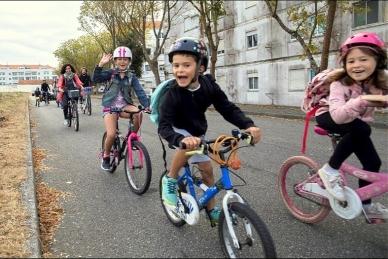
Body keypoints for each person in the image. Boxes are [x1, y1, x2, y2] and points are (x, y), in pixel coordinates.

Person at [158, 37, 261, 224]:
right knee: (188, 145)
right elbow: (163, 126)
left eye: (186, 65)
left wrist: (248, 126)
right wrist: (179, 138)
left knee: (207, 171)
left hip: (197, 131)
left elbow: (227, 108)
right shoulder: (171, 95)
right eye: (176, 66)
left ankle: (211, 209)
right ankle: (171, 179)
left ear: (201, 67)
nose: (179, 70)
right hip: (176, 129)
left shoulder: (208, 85)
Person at [315, 32, 388, 219]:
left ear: (378, 61)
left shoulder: (380, 83)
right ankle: (329, 170)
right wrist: (363, 99)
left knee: (373, 162)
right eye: (351, 61)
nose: (356, 65)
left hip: (356, 124)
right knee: (362, 128)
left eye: (363, 59)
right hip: (328, 115)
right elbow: (339, 116)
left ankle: (366, 205)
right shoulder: (339, 83)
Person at [93, 46, 150, 171]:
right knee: (112, 134)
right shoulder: (111, 73)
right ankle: (106, 156)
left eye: (125, 59)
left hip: (124, 105)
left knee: (138, 113)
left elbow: (140, 92)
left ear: (129, 61)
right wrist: (101, 64)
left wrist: (147, 106)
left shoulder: (132, 76)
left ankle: (132, 137)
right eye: (119, 59)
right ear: (115, 61)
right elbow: (96, 79)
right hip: (110, 106)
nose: (122, 62)